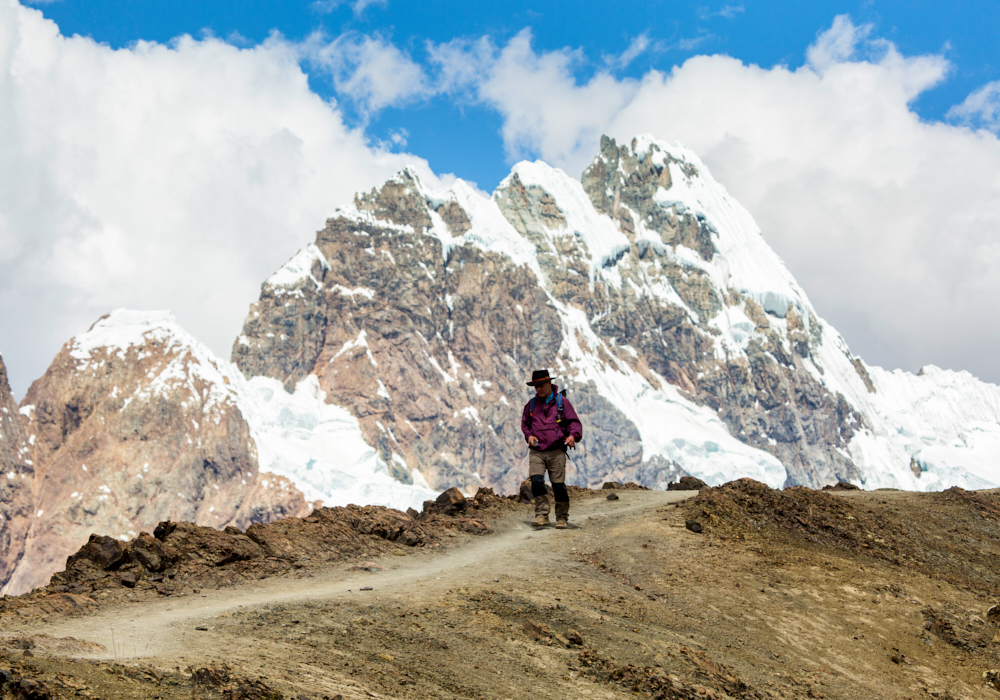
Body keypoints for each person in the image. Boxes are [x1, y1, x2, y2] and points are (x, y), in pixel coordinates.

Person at [521, 369, 583, 529]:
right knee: (536, 480)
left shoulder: (562, 402)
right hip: (537, 450)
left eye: (541, 385)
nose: (539, 389)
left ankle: (562, 517)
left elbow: (574, 423)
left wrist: (572, 436)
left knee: (558, 485)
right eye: (536, 386)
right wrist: (529, 436)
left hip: (557, 450)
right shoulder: (532, 405)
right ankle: (542, 515)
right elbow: (525, 424)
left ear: (549, 383)